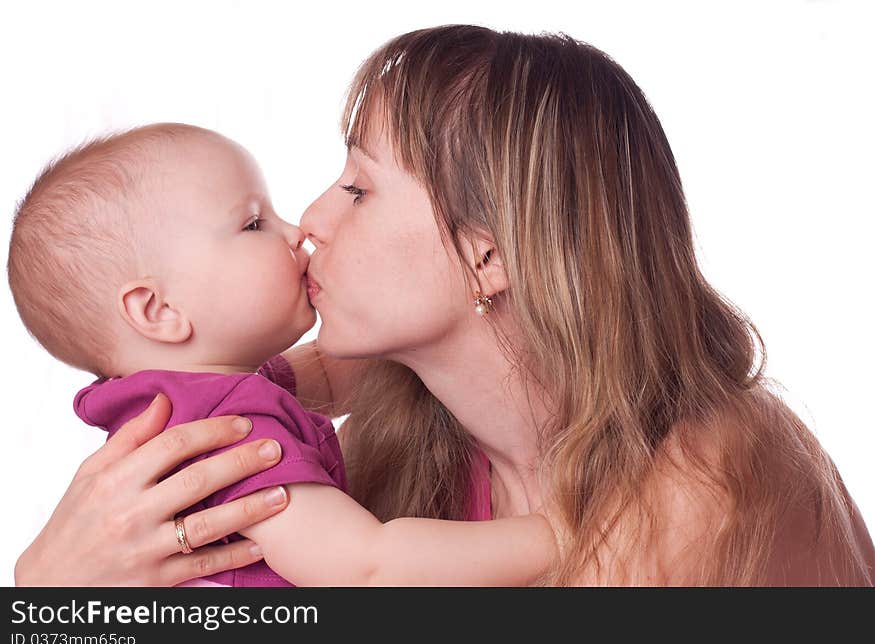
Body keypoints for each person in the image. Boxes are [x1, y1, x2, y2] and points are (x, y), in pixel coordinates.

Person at [14, 25, 875, 586]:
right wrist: (50, 586)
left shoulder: (709, 475)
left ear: (488, 252)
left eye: (358, 188)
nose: (309, 223)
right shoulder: (392, 455)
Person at [7, 122, 556, 586]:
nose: (298, 230)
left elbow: (330, 374)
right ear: (157, 311)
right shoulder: (230, 430)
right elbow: (366, 569)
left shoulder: (171, 401)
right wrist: (556, 536)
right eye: (253, 224)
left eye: (360, 190)